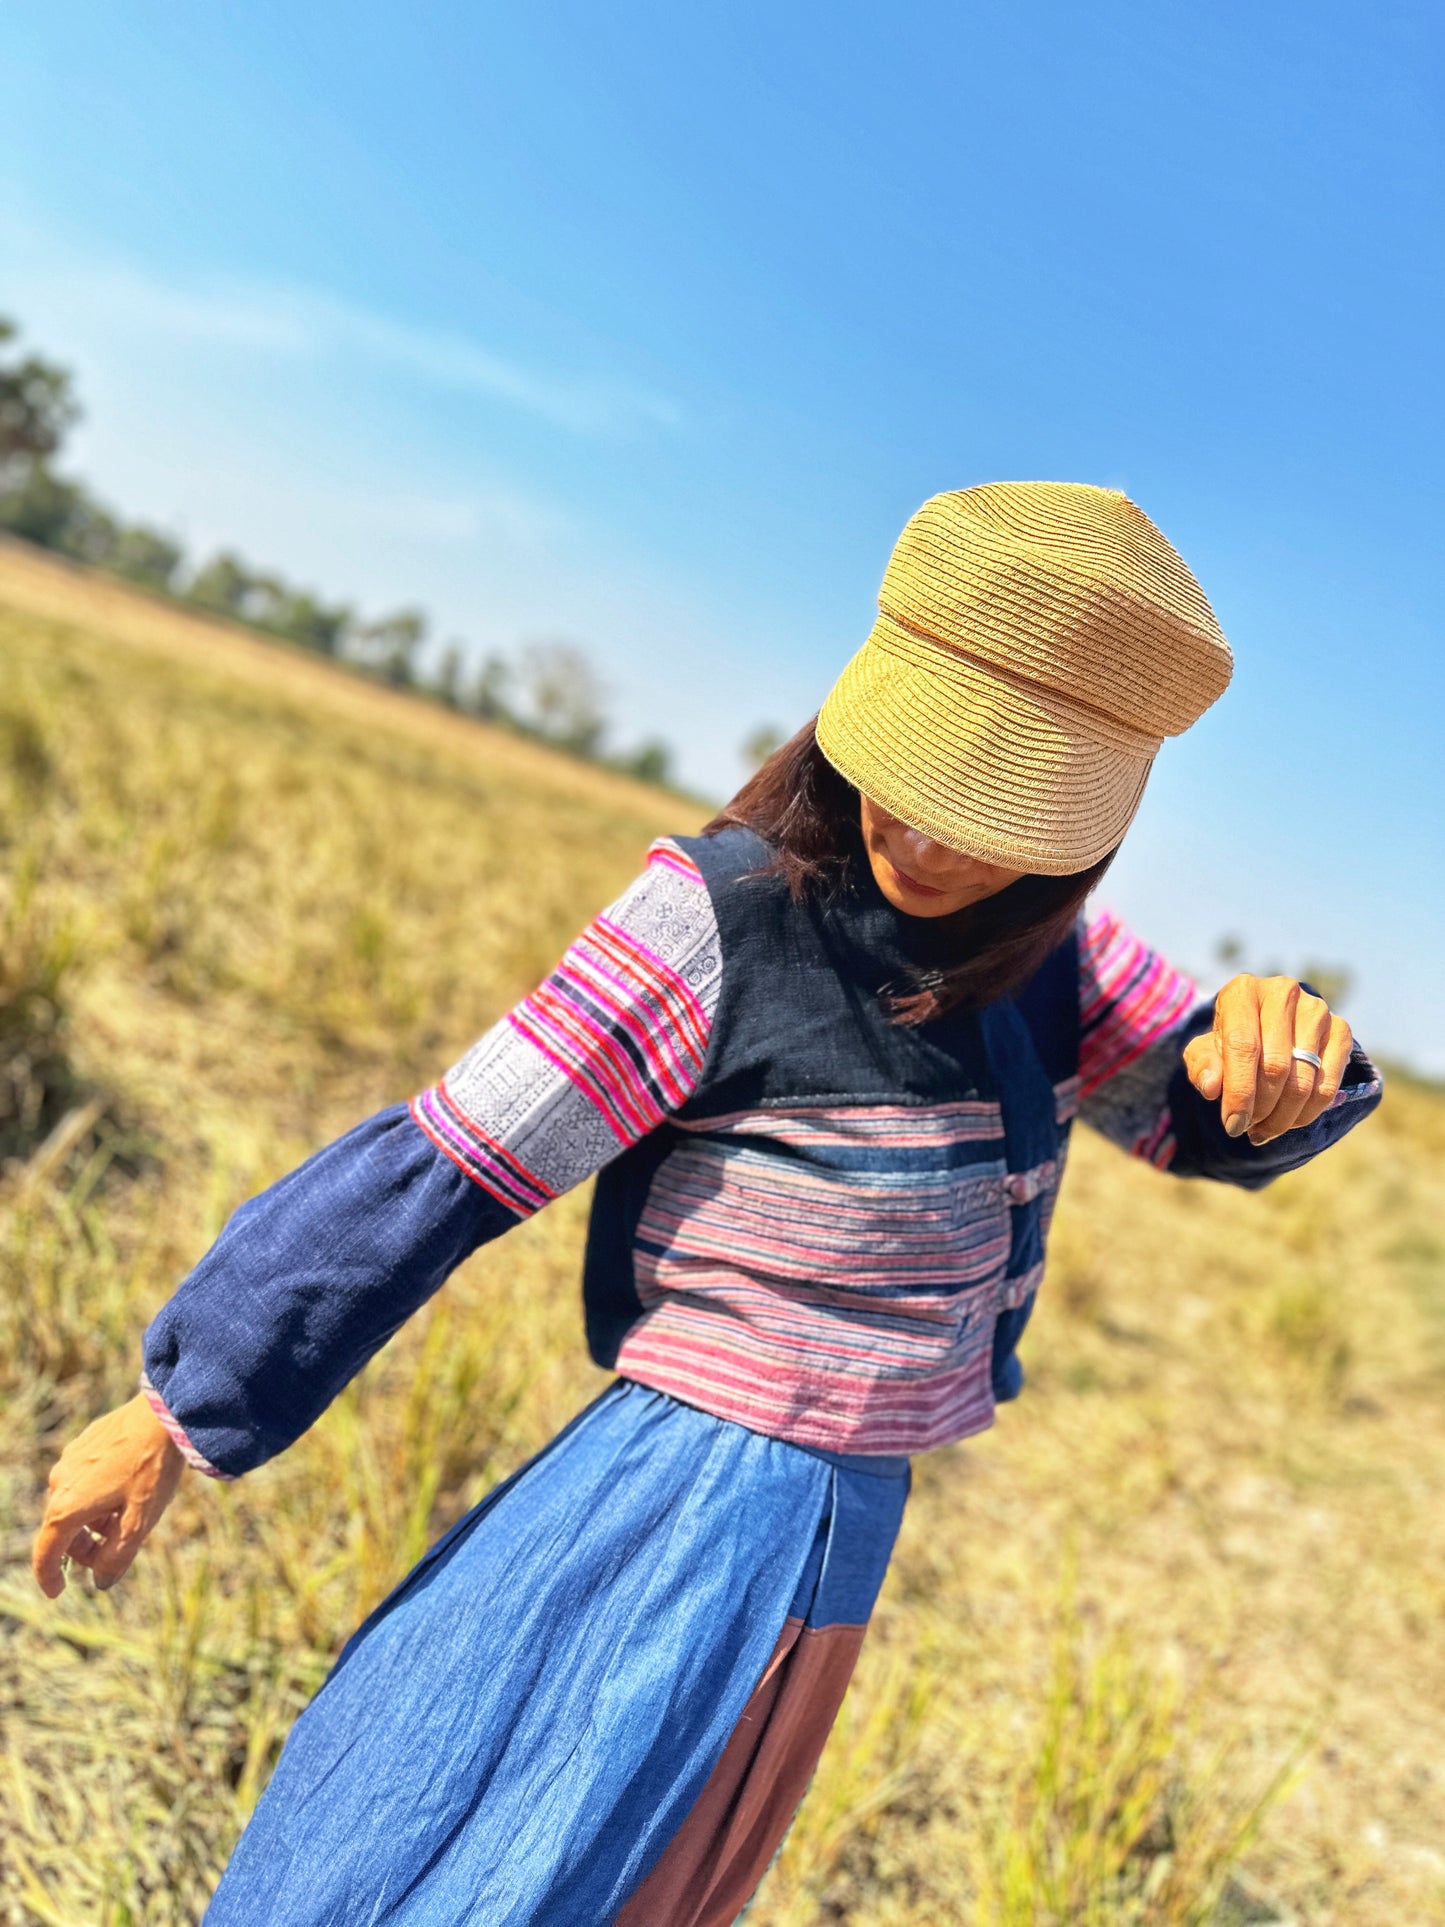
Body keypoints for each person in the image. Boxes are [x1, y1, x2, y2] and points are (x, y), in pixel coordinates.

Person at [32, 483, 1381, 1925]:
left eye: (989, 818)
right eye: (904, 777)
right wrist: (180, 1410)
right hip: (678, 1499)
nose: (921, 841)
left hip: (839, 1538)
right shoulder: (723, 921)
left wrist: (1278, 1062)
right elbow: (451, 1163)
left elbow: (1196, 1116)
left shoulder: (1057, 963)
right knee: (468, 1866)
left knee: (647, 1888)